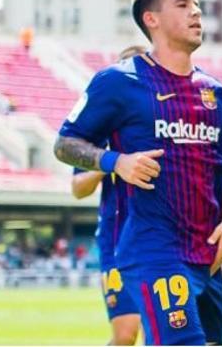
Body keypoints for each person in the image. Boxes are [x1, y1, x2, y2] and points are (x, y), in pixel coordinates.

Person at [54, 0, 222, 346]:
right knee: (131, 336)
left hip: (209, 253)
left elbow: (220, 169)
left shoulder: (213, 92)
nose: (197, 13)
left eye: (198, 5)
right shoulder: (117, 82)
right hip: (153, 248)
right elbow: (65, 144)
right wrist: (115, 162)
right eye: (184, 4)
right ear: (151, 19)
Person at [69, 45, 148, 345]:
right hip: (117, 239)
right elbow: (78, 189)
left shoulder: (160, 124)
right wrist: (111, 160)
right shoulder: (97, 132)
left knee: (165, 331)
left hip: (160, 236)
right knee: (126, 335)